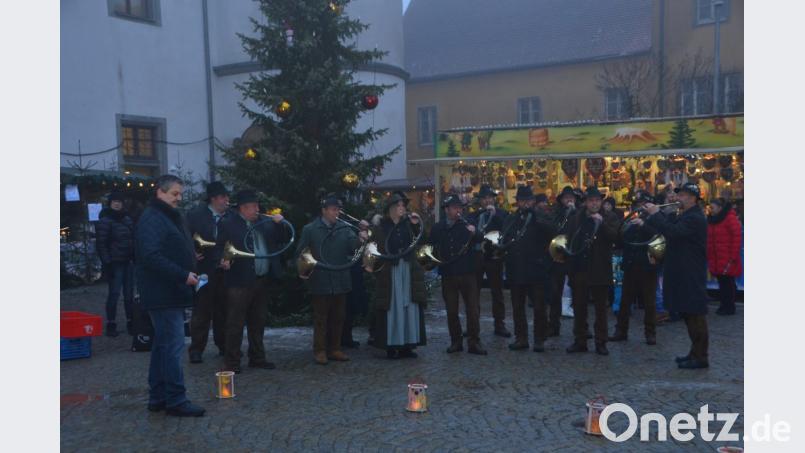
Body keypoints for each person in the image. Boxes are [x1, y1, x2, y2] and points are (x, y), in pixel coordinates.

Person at [135, 174, 204, 417]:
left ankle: (158, 397)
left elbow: (168, 248)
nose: (179, 198)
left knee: (162, 346)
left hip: (167, 292)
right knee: (173, 346)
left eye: (180, 194)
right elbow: (150, 256)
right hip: (162, 293)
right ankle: (175, 399)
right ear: (160, 193)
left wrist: (190, 257)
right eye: (175, 193)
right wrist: (182, 274)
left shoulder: (166, 216)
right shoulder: (153, 218)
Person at [217, 189, 289, 374]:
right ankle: (232, 361)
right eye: (253, 206)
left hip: (261, 279)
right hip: (239, 280)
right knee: (235, 323)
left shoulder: (265, 222)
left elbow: (281, 239)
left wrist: (280, 225)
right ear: (242, 208)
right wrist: (223, 260)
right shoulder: (229, 224)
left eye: (257, 205)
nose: (257, 209)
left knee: (258, 321)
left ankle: (257, 357)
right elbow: (220, 248)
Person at [295, 194, 369, 365]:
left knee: (338, 317)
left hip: (340, 279)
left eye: (338, 209)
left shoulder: (344, 228)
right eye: (333, 209)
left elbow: (353, 247)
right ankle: (320, 350)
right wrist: (303, 270)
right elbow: (300, 253)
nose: (337, 212)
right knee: (321, 318)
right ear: (324, 210)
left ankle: (334, 348)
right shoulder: (311, 229)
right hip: (320, 280)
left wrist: (360, 239)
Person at [642, 182, 710, 369]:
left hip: (691, 271)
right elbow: (668, 228)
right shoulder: (685, 215)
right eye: (679, 195)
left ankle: (701, 356)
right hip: (683, 269)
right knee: (688, 313)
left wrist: (657, 214)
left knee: (695, 313)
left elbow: (673, 232)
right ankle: (694, 352)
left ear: (693, 198)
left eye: (683, 195)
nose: (678, 198)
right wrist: (658, 216)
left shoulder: (695, 217)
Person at [369, 192, 428, 359]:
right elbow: (375, 249)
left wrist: (417, 225)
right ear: (391, 209)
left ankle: (407, 345)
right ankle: (392, 345)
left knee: (409, 306)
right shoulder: (382, 227)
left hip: (408, 269)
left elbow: (422, 240)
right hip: (391, 270)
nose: (402, 208)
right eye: (398, 206)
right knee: (393, 307)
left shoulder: (408, 225)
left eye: (403, 205)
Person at [427, 193, 487, 355]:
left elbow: (481, 238)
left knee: (473, 310)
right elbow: (430, 247)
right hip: (449, 273)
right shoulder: (438, 227)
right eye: (454, 208)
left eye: (460, 207)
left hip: (468, 273)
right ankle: (456, 341)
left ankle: (474, 342)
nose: (458, 211)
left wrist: (475, 232)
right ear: (446, 210)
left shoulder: (468, 223)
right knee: (452, 310)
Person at [564, 186, 620, 355]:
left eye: (597, 200)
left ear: (601, 202)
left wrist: (601, 224)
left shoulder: (609, 217)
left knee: (600, 309)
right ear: (586, 202)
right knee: (580, 307)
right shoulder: (576, 218)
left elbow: (616, 237)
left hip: (600, 268)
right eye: (591, 200)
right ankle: (580, 340)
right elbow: (570, 240)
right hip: (580, 268)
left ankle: (601, 342)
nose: (594, 203)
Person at [502, 186, 557, 352]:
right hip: (516, 269)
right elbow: (505, 238)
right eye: (522, 200)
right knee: (518, 307)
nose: (526, 203)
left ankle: (539, 339)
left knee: (540, 307)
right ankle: (521, 338)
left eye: (529, 200)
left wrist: (537, 218)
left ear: (533, 201)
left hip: (536, 268)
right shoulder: (511, 219)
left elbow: (553, 233)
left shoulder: (541, 216)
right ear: (518, 202)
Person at [186, 181, 231, 362]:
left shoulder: (231, 216)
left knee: (224, 311)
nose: (227, 200)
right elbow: (184, 237)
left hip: (225, 271)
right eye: (223, 197)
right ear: (213, 199)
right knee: (201, 311)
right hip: (203, 271)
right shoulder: (195, 215)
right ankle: (196, 349)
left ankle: (224, 345)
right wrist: (191, 254)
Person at [610, 191, 659, 345]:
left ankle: (650, 333)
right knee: (625, 301)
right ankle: (621, 331)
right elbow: (622, 241)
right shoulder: (631, 221)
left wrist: (643, 225)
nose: (639, 208)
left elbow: (660, 237)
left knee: (649, 302)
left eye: (643, 205)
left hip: (648, 266)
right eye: (637, 205)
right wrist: (623, 228)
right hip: (631, 265)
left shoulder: (656, 220)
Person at [467, 184, 510, 337]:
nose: (487, 201)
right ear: (480, 201)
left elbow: (506, 229)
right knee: (473, 292)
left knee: (497, 291)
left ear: (494, 199)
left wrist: (495, 215)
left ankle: (499, 324)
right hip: (476, 257)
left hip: (493, 256)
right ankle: (473, 325)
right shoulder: (474, 215)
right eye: (484, 198)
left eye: (489, 198)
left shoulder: (502, 214)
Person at [96, 191, 135, 337]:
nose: (117, 204)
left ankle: (131, 322)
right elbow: (101, 244)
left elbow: (133, 239)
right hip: (115, 263)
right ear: (110, 203)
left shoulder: (127, 219)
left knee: (129, 295)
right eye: (114, 202)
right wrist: (107, 263)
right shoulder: (105, 221)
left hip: (128, 261)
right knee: (114, 294)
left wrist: (135, 256)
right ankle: (111, 324)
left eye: (119, 201)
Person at [548, 186, 579, 336]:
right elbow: (552, 231)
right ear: (561, 200)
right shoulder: (556, 213)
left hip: (574, 257)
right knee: (555, 293)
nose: (569, 200)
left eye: (571, 197)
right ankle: (554, 325)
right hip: (558, 256)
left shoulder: (579, 213)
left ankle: (581, 329)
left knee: (579, 294)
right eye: (566, 197)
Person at [706, 198, 743, 316]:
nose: (710, 210)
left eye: (713, 207)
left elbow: (736, 238)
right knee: (722, 282)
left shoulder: (730, 218)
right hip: (716, 256)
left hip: (727, 257)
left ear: (720, 208)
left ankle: (729, 306)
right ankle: (724, 305)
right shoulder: (712, 219)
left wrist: (732, 257)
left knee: (728, 283)